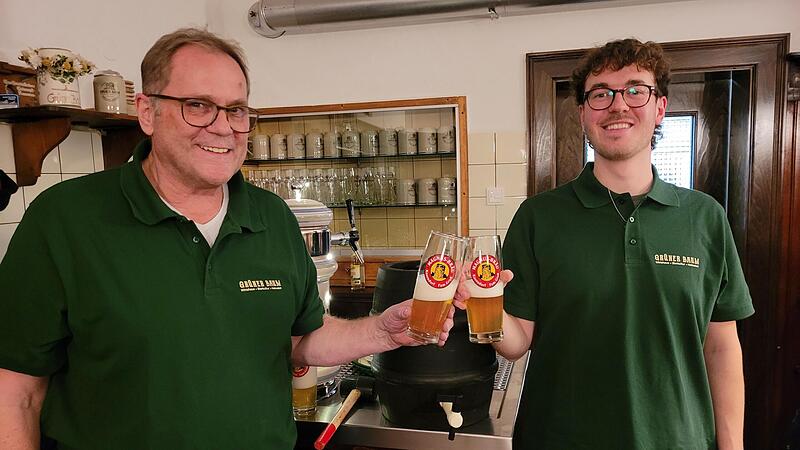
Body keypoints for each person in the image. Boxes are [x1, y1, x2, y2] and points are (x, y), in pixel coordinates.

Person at [0, 28, 453, 450]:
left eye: (236, 110)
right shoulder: (65, 220)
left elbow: (298, 339)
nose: (223, 127)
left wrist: (381, 330)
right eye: (198, 105)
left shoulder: (270, 216)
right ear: (147, 112)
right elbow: (15, 391)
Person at [456, 38, 754, 449]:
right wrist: (480, 304)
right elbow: (517, 341)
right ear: (582, 114)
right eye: (601, 94)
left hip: (679, 439)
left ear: (660, 107)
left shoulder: (705, 218)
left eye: (635, 90)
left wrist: (732, 445)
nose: (618, 105)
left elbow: (721, 348)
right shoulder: (539, 217)